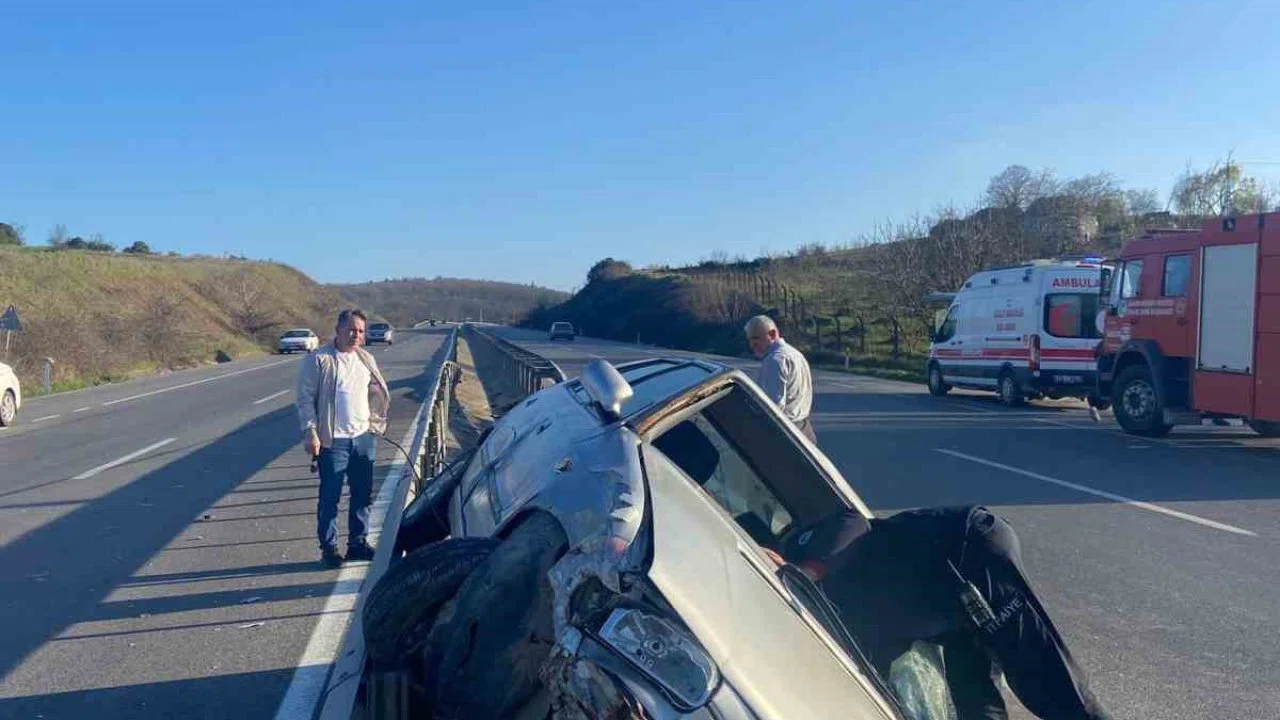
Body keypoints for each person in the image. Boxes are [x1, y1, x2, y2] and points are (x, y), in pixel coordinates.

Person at [772, 506, 1112, 720]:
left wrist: (802, 571)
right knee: (975, 702)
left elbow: (853, 521)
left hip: (967, 558)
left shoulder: (799, 548)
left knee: (1047, 685)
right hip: (952, 618)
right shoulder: (834, 621)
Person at [295, 309, 391, 567]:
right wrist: (311, 431)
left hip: (362, 437)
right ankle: (329, 549)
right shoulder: (320, 359)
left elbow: (375, 392)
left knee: (362, 494)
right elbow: (305, 399)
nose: (355, 335)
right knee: (330, 496)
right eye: (351, 329)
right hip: (332, 440)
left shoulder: (365, 358)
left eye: (360, 331)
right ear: (337, 330)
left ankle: (357, 544)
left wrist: (374, 422)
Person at [744, 315, 816, 443]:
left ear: (772, 334)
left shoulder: (774, 360)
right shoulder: (795, 354)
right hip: (805, 428)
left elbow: (773, 406)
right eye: (749, 340)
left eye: (756, 339)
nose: (752, 345)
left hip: (788, 432)